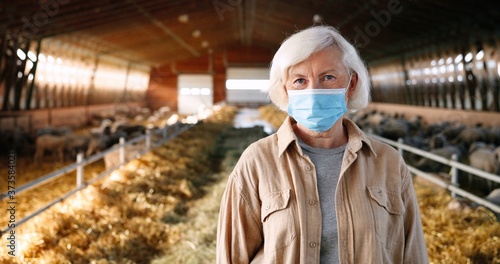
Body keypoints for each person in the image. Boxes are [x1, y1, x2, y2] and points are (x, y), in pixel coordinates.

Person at [216, 25, 428, 264]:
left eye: (328, 77)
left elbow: (412, 252)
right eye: (299, 80)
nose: (313, 91)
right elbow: (233, 256)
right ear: (285, 88)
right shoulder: (257, 161)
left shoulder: (387, 162)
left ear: (351, 84)